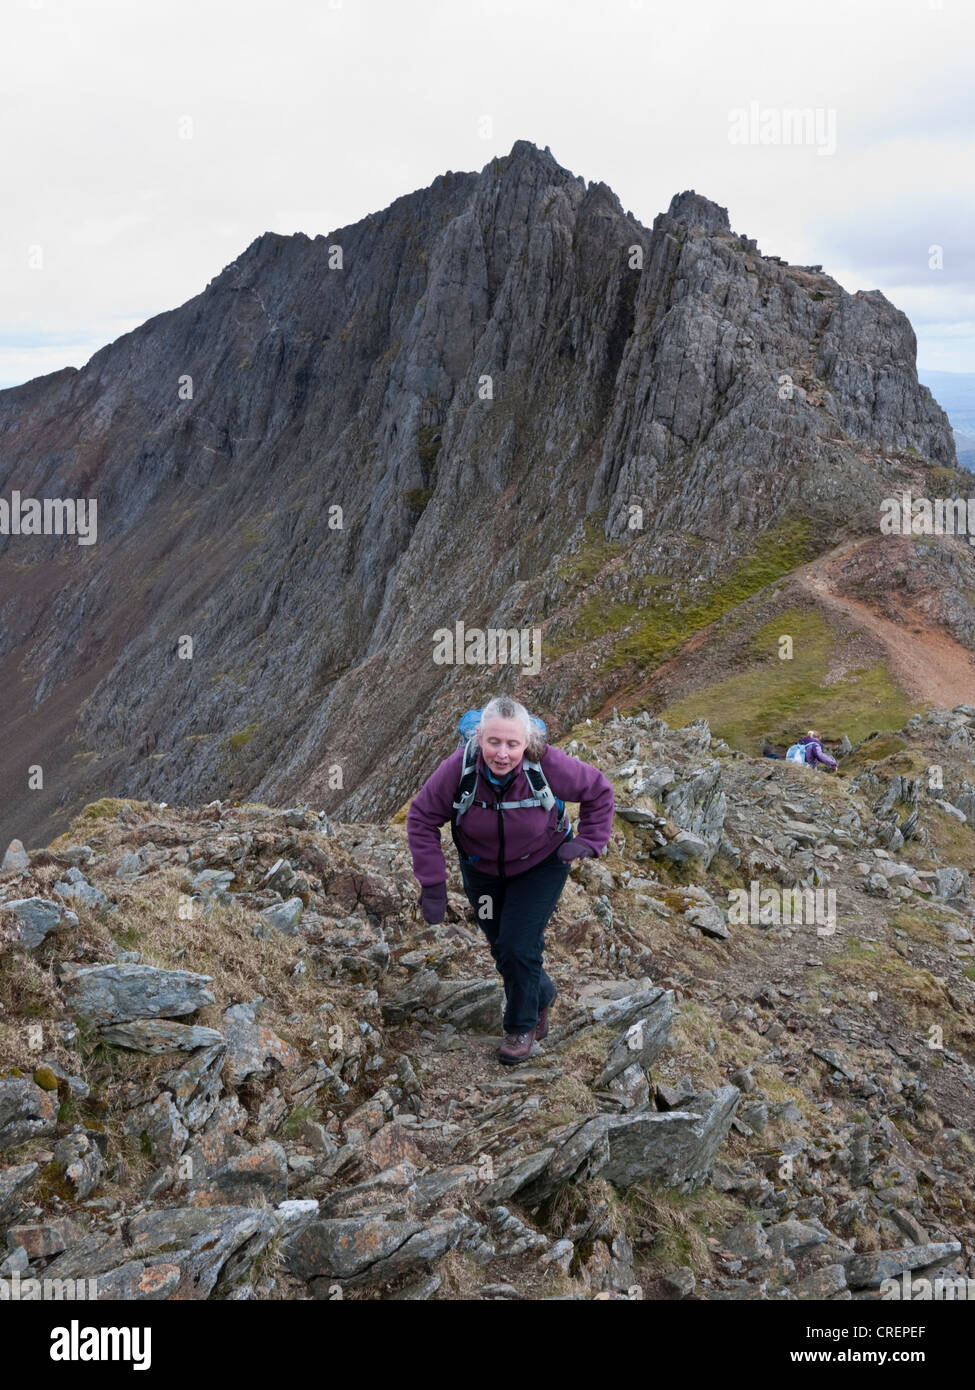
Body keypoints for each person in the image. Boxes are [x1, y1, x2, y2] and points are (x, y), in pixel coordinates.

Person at [406, 696, 615, 1066]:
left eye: (512, 744)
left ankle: (522, 1026)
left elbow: (598, 791)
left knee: (519, 944)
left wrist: (589, 841)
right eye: (494, 742)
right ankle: (542, 993)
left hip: (542, 863)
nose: (502, 753)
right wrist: (433, 883)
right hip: (481, 868)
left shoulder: (545, 764)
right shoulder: (460, 768)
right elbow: (422, 817)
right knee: (503, 946)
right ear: (480, 739)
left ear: (526, 743)